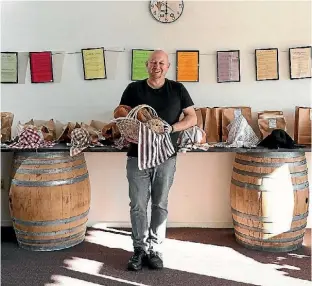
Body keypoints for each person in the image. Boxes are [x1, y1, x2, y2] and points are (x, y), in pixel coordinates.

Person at [118, 50, 197, 271]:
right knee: (138, 205)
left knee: (160, 204)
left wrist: (171, 127)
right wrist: (131, 119)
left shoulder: (178, 89)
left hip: (166, 156)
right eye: (153, 62)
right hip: (137, 155)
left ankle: (155, 249)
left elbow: (192, 117)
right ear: (147, 65)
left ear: (168, 66)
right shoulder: (134, 89)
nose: (157, 66)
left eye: (161, 63)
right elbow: (121, 112)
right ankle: (139, 250)